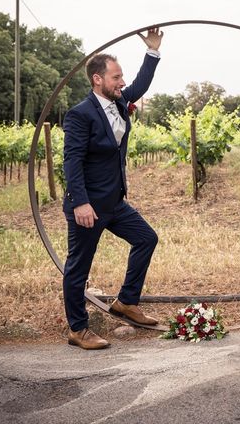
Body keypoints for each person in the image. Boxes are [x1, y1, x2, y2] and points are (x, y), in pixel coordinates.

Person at [62, 28, 164, 350]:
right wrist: (80, 203)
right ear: (98, 80)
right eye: (116, 77)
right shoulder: (80, 115)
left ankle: (126, 302)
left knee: (146, 238)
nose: (121, 82)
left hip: (114, 203)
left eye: (121, 77)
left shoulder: (118, 103)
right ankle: (78, 329)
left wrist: (153, 52)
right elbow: (72, 162)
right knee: (78, 267)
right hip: (88, 206)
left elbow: (139, 85)